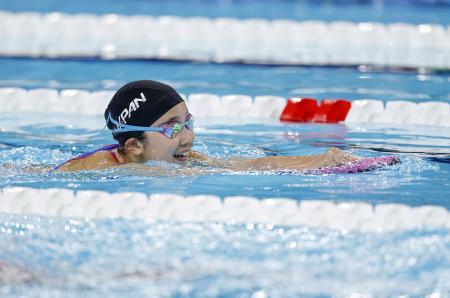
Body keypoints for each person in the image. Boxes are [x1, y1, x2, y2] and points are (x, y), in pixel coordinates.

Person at [55, 80, 359, 172]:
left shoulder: (166, 158)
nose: (188, 136)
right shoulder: (92, 169)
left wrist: (319, 161)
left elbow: (247, 165)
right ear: (134, 146)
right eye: (172, 128)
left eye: (188, 122)